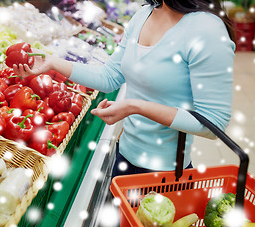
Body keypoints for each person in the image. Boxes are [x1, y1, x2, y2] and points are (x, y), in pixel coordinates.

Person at [12, 0, 235, 177]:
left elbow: (214, 124)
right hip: (123, 160)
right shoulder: (144, 14)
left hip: (165, 174)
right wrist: (52, 63)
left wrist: (135, 107)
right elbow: (110, 76)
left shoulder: (206, 30)